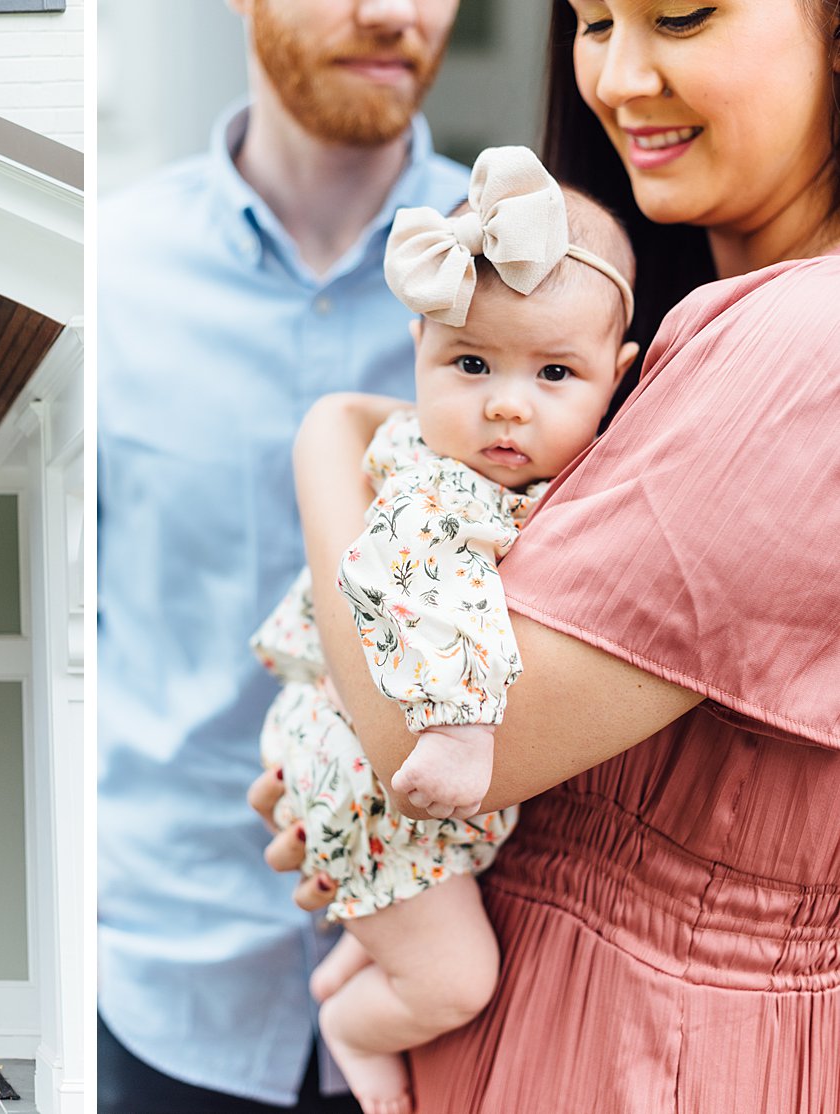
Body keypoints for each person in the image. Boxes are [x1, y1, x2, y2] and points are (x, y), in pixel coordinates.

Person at [253, 0, 840, 1109]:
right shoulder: (684, 330)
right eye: (593, 22)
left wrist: (328, 437)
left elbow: (407, 724)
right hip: (548, 1019)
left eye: (680, 16)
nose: (616, 77)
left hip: (644, 1054)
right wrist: (346, 811)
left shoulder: (807, 346)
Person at [98, 0, 466, 1108]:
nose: (392, 12)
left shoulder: (545, 277)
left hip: (466, 990)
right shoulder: (108, 274)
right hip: (175, 990)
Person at [253, 146, 638, 1114]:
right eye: (469, 363)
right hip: (369, 750)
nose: (506, 401)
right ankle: (353, 1026)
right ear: (418, 354)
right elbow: (424, 595)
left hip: (363, 755)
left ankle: (353, 973)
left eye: (555, 371)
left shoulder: (537, 482)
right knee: (456, 982)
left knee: (424, 923)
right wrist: (464, 730)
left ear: (619, 379)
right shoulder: (435, 484)